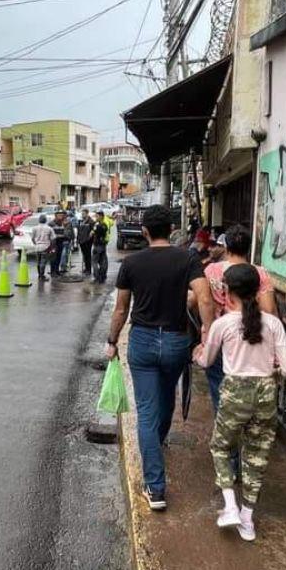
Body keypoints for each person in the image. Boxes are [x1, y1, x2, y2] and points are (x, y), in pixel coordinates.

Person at [106, 204, 215, 511]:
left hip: (141, 340)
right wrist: (207, 334)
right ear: (171, 229)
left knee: (146, 412)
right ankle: (159, 438)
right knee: (167, 397)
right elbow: (204, 297)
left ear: (144, 232)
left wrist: (112, 340)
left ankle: (155, 488)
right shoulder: (188, 258)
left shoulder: (132, 262)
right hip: (176, 340)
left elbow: (120, 309)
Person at [196, 264, 286, 541]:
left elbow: (207, 361)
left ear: (227, 292)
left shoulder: (223, 324)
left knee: (220, 446)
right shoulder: (273, 324)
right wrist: (272, 372)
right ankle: (247, 521)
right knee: (257, 456)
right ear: (257, 290)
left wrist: (197, 353)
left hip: (234, 392)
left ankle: (230, 505)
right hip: (265, 394)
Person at [202, 225, 278, 410]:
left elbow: (202, 301)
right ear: (249, 248)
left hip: (218, 339)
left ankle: (225, 429)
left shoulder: (211, 270)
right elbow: (268, 309)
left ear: (226, 247)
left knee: (219, 389)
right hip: (250, 337)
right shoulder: (259, 273)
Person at [30, 215, 56, 281]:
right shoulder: (49, 228)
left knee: (38, 262)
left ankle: (39, 275)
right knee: (43, 262)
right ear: (45, 220)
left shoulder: (34, 228)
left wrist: (35, 244)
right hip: (45, 247)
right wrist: (52, 247)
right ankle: (42, 276)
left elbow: (32, 238)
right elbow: (53, 239)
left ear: (39, 220)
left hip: (37, 247)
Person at [91, 213, 110, 283]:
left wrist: (93, 232)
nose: (96, 217)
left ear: (101, 217)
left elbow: (93, 232)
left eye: (97, 216)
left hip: (97, 245)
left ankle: (97, 277)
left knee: (94, 262)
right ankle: (102, 276)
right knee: (103, 262)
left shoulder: (97, 225)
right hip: (103, 244)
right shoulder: (105, 225)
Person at [77, 212, 94, 277]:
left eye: (83, 214)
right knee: (84, 256)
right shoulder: (81, 221)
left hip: (87, 241)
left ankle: (89, 270)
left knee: (88, 256)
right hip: (82, 241)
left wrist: (89, 239)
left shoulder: (91, 221)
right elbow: (79, 231)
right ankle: (86, 269)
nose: (82, 215)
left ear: (87, 214)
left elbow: (93, 231)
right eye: (82, 214)